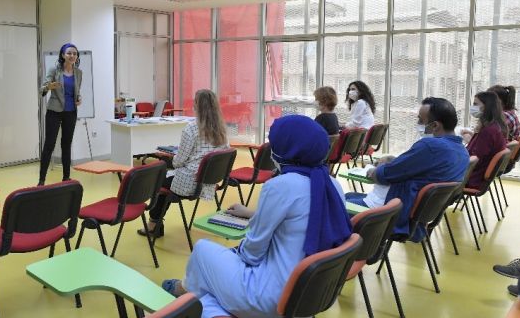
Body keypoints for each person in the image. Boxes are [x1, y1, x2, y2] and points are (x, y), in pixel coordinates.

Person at [158, 115, 351, 318]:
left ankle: (184, 290)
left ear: (288, 149)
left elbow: (252, 253)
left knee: (202, 249)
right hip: (308, 296)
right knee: (208, 300)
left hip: (270, 297)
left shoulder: (280, 186)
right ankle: (192, 295)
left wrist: (236, 252)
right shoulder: (332, 185)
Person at [345, 97, 469, 239]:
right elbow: (420, 168)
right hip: (417, 218)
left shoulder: (430, 146)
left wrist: (373, 171)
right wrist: (395, 161)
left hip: (393, 213)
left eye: (421, 120)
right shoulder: (462, 152)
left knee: (332, 208)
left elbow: (385, 175)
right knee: (347, 197)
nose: (418, 124)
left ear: (435, 125)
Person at [138, 89, 229, 237]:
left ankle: (153, 224)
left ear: (197, 106)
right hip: (210, 181)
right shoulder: (222, 129)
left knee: (158, 180)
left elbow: (178, 162)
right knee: (165, 179)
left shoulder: (191, 129)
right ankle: (155, 224)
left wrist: (168, 158)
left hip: (189, 182)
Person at [39, 43, 82, 185]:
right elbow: (42, 89)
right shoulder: (54, 70)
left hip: (71, 112)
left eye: (74, 53)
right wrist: (49, 86)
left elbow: (77, 91)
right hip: (54, 111)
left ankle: (66, 177)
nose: (72, 56)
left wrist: (79, 98)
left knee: (66, 144)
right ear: (63, 55)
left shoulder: (78, 73)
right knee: (49, 145)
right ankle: (41, 180)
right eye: (69, 53)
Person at [463, 91, 508, 191]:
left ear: (487, 106)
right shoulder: (495, 126)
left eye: (475, 104)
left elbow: (476, 159)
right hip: (478, 175)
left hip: (472, 177)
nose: (472, 107)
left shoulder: (488, 130)